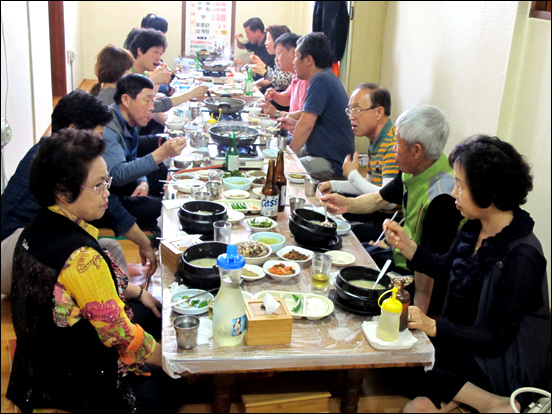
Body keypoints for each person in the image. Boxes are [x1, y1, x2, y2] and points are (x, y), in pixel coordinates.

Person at [7, 129, 188, 413]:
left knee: (148, 313)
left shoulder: (40, 224)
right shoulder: (80, 258)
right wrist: (172, 359)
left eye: (108, 182)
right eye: (100, 185)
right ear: (63, 191)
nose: (108, 193)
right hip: (70, 382)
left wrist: (138, 292)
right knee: (173, 388)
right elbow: (122, 337)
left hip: (39, 359)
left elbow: (81, 292)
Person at [383, 135, 550, 413]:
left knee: (411, 363)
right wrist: (408, 246)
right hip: (467, 340)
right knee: (396, 359)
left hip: (503, 360)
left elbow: (497, 336)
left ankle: (497, 402)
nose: (453, 193)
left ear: (488, 191)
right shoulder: (475, 227)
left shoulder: (522, 254)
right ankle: (461, 399)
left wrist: (433, 326)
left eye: (460, 185)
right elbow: (446, 268)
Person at [1, 90, 157, 296]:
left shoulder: (58, 152)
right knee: (98, 258)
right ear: (73, 130)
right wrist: (145, 245)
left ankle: (121, 308)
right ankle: (117, 309)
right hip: (17, 250)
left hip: (39, 240)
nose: (101, 145)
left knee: (111, 248)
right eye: (98, 135)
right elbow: (111, 209)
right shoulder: (60, 162)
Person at [322, 106, 463, 315]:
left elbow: (429, 267)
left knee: (350, 293)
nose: (393, 148)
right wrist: (346, 204)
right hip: (399, 256)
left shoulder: (443, 197)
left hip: (417, 276)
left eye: (397, 142)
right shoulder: (417, 167)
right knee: (343, 256)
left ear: (416, 151)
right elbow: (380, 198)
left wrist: (416, 317)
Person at [101, 74, 187, 234]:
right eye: (147, 101)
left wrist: (142, 182)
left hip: (123, 184)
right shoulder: (108, 129)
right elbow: (116, 176)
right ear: (126, 100)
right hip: (107, 196)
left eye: (152, 101)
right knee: (156, 207)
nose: (152, 107)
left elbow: (131, 159)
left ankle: (145, 203)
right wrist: (161, 153)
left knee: (161, 170)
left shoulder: (129, 120)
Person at [318, 83, 400, 243]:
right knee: (329, 206)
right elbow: (369, 182)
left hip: (389, 222)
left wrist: (353, 175)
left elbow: (388, 200)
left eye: (357, 110)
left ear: (378, 112)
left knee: (337, 233)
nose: (351, 116)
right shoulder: (377, 139)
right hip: (376, 209)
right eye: (350, 110)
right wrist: (334, 185)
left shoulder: (392, 144)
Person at [279, 32, 354, 180]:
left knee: (284, 169)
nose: (294, 62)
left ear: (308, 60)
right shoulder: (325, 77)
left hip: (332, 162)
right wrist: (294, 124)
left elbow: (306, 125)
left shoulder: (321, 80)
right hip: (319, 153)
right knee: (277, 153)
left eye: (296, 56)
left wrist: (287, 159)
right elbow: (315, 121)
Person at [91, 44, 207, 109]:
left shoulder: (105, 90)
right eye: (127, 69)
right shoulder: (118, 96)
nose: (130, 72)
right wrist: (192, 94)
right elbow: (157, 106)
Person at [128, 28, 173, 135]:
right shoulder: (127, 72)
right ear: (139, 51)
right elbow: (132, 103)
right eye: (155, 52)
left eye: (160, 54)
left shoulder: (143, 72)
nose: (158, 58)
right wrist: (155, 80)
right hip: (129, 135)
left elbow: (150, 98)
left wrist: (157, 80)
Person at [260, 33, 309, 117]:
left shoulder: (305, 79)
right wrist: (275, 95)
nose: (275, 59)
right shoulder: (295, 74)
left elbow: (303, 116)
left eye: (278, 54)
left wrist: (276, 113)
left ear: (293, 53)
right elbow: (288, 97)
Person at [250, 25, 292, 98]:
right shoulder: (277, 57)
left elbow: (282, 83)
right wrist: (261, 64)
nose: (265, 43)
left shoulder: (287, 58)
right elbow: (275, 74)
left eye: (268, 39)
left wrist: (264, 72)